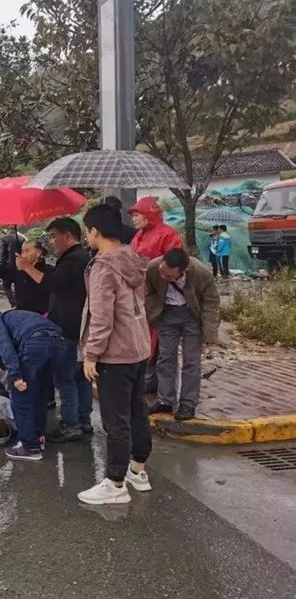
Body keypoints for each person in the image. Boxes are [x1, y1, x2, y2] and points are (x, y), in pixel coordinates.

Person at [78, 204, 152, 505]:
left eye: (87, 230)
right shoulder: (132, 260)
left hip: (115, 354)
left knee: (115, 420)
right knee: (137, 412)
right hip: (137, 348)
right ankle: (138, 470)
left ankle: (116, 482)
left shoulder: (103, 268)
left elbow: (101, 317)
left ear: (96, 231)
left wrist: (91, 354)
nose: (87, 236)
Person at [17, 217, 93, 442]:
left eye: (53, 236)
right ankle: (83, 419)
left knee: (66, 377)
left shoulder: (73, 260)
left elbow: (52, 284)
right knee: (80, 376)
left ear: (68, 236)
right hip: (76, 325)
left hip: (68, 328)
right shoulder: (77, 257)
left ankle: (72, 424)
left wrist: (26, 268)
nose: (51, 242)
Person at [146, 249, 221, 421]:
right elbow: (149, 291)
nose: (164, 276)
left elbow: (211, 303)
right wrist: (153, 312)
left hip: (191, 316)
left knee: (191, 361)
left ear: (183, 271)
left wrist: (210, 337)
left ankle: (188, 403)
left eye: (170, 276)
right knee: (166, 358)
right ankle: (165, 399)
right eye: (163, 272)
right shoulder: (153, 268)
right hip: (166, 315)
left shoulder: (201, 273)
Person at [0, 309, 63, 462]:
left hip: (35, 343)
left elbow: (4, 345)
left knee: (21, 395)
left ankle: (29, 446)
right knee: (40, 393)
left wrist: (15, 375)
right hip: (57, 341)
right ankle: (38, 437)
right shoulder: (19, 317)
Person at [128, 196, 184, 395]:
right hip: (142, 296)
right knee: (146, 339)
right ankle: (150, 380)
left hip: (163, 297)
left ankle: (162, 385)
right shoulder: (139, 236)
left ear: (148, 214)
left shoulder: (167, 234)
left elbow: (174, 264)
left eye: (136, 215)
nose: (133, 219)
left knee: (161, 343)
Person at [0, 238, 50, 315]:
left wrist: (27, 268)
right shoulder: (20, 271)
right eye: (22, 251)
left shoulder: (49, 270)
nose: (23, 255)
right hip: (22, 314)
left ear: (38, 253)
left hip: (42, 316)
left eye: (27, 251)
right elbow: (0, 271)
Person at [0, 229, 21, 307]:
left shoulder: (4, 239)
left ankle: (13, 302)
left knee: (6, 286)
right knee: (18, 285)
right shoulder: (22, 239)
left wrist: (1, 266)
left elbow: (2, 254)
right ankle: (19, 302)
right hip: (19, 266)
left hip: (8, 266)